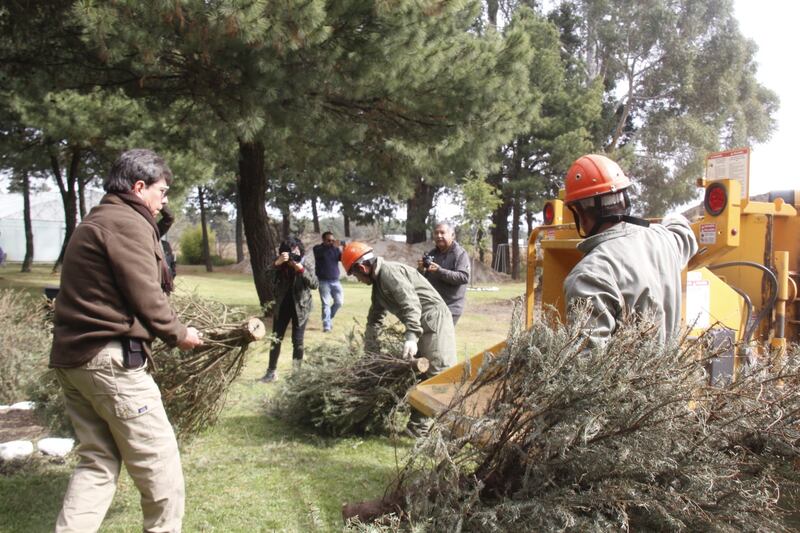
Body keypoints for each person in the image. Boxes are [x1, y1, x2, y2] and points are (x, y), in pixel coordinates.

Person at [49, 149, 204, 533]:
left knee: (97, 463)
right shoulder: (126, 222)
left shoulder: (101, 219)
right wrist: (181, 334)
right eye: (162, 192)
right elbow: (146, 295)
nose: (165, 201)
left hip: (76, 361)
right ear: (139, 187)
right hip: (111, 364)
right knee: (160, 468)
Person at [562, 154, 698, 347]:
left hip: (627, 379)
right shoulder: (664, 240)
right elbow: (684, 232)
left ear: (581, 214)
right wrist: (673, 217)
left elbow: (587, 364)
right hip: (671, 376)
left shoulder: (589, 275)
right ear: (624, 199)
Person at [342, 241, 456, 436]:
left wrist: (411, 336)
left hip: (433, 320)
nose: (358, 280)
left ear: (362, 268)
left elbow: (411, 304)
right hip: (422, 323)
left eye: (355, 275)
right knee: (420, 374)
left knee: (440, 374)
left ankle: (456, 428)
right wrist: (371, 355)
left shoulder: (389, 273)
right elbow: (374, 320)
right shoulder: (378, 285)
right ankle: (417, 429)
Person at [260, 236, 318, 383]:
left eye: (295, 251)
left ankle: (296, 377)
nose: (293, 255)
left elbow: (315, 284)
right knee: (275, 339)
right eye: (289, 252)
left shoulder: (306, 262)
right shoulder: (280, 264)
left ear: (300, 250)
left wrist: (301, 269)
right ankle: (271, 372)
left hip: (301, 307)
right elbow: (265, 278)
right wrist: (277, 263)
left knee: (297, 342)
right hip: (282, 306)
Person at [418, 222, 470, 324]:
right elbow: (422, 279)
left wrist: (439, 271)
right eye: (436, 233)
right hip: (432, 305)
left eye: (442, 233)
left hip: (451, 307)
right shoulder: (432, 253)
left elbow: (463, 277)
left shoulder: (460, 254)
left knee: (442, 337)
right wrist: (420, 269)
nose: (439, 236)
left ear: (452, 235)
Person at [313, 231, 343, 332]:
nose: (331, 242)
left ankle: (328, 319)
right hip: (323, 281)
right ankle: (326, 326)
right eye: (329, 240)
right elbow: (322, 253)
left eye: (332, 240)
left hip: (335, 280)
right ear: (323, 240)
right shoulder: (317, 249)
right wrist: (331, 246)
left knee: (339, 302)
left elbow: (343, 258)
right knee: (326, 304)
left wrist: (345, 247)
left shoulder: (335, 249)